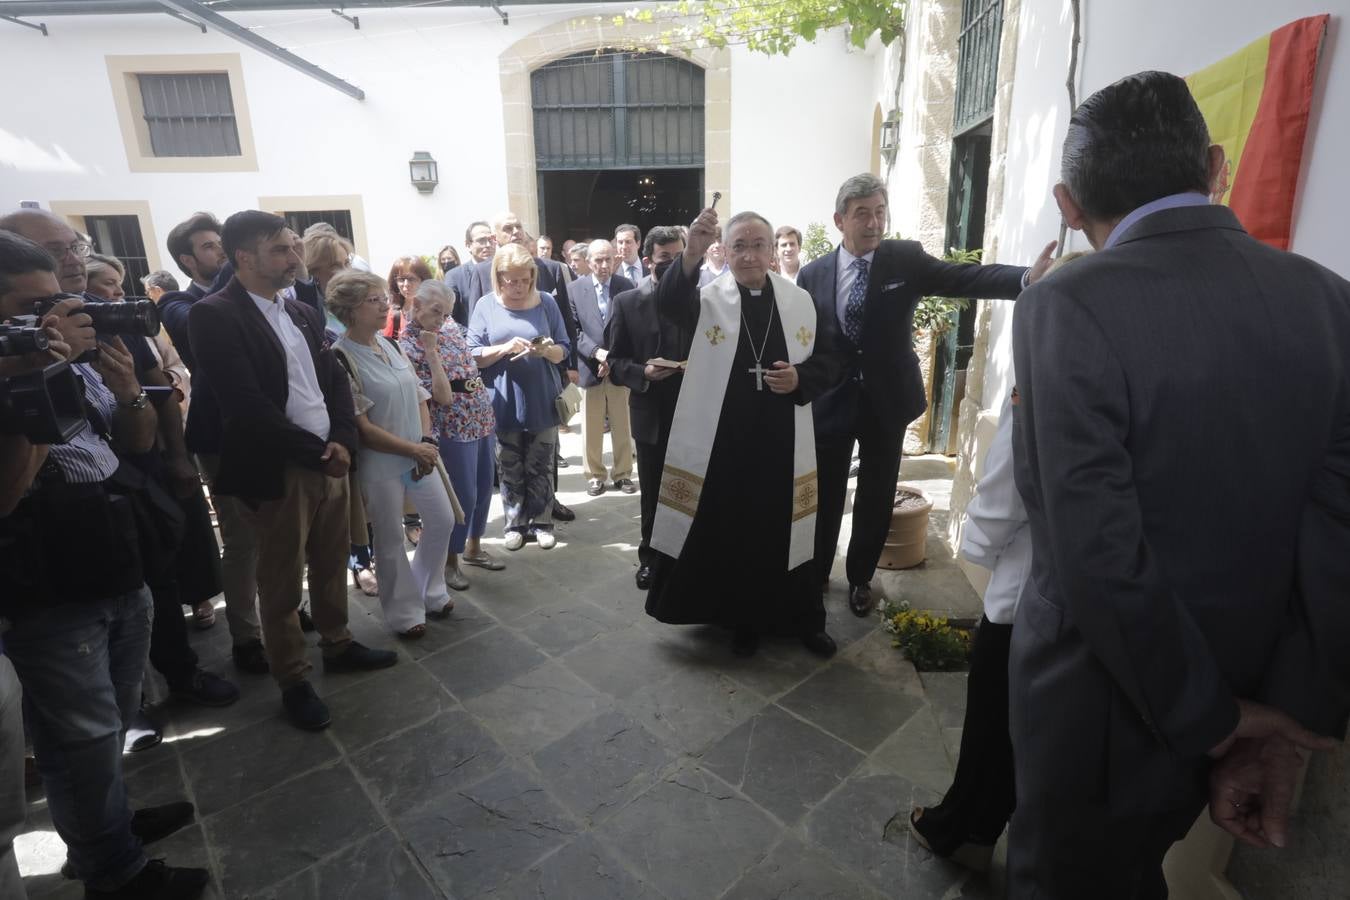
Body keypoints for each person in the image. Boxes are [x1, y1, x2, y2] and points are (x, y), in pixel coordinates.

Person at [1008, 71, 1349, 898]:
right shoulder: (1332, 303)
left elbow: (1094, 551)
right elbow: (1337, 530)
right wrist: (1281, 724)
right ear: (1217, 166)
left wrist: (1215, 718)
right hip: (1255, 684)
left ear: (1066, 200)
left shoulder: (1067, 303)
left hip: (1103, 708)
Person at [0, 230, 208, 899]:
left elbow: (131, 442)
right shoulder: (19, 369)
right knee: (81, 733)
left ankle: (103, 826)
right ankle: (113, 869)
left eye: (55, 301)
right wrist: (33, 375)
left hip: (113, 549)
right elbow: (8, 492)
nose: (54, 318)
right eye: (31, 308)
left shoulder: (72, 356)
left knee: (106, 724)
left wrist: (126, 393)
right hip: (48, 577)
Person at [798, 173, 1052, 619]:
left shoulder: (903, 259)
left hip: (887, 401)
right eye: (863, 214)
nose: (874, 222)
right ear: (840, 220)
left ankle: (860, 577)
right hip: (832, 402)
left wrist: (1025, 278)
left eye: (880, 211)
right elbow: (805, 339)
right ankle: (818, 572)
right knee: (827, 493)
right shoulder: (812, 273)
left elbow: (963, 278)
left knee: (876, 493)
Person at [188, 210, 398, 732]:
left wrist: (342, 440)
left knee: (330, 561)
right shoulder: (215, 315)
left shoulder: (302, 310)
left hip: (329, 457)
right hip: (278, 467)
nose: (294, 258)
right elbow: (245, 405)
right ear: (244, 257)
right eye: (281, 250)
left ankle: (339, 642)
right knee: (281, 581)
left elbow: (333, 382)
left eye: (293, 247)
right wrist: (318, 451)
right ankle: (293, 678)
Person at [646, 208, 848, 659]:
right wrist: (692, 252)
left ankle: (802, 617)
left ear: (772, 250)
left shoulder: (800, 302)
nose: (750, 255)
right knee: (737, 530)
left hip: (784, 440)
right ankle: (742, 619)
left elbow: (834, 358)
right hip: (726, 442)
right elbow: (668, 305)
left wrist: (802, 379)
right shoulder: (709, 299)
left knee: (788, 527)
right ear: (727, 251)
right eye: (739, 245)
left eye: (759, 245)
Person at [327, 270, 457, 638]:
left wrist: (427, 441)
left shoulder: (391, 345)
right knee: (388, 538)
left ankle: (429, 591)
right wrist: (414, 448)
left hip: (419, 454)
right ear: (350, 309)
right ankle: (403, 612)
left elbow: (419, 396)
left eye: (384, 298)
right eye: (375, 300)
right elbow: (363, 428)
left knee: (442, 520)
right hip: (381, 462)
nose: (386, 304)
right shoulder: (340, 357)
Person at [467, 243, 570, 550]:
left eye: (524, 280)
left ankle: (542, 521)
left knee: (541, 463)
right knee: (508, 463)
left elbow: (564, 348)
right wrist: (503, 347)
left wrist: (545, 350)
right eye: (511, 280)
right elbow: (472, 354)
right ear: (498, 277)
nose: (518, 286)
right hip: (502, 397)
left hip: (542, 395)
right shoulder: (486, 305)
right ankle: (515, 522)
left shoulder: (546, 303)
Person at [402, 280, 504, 588]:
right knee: (462, 494)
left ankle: (474, 547)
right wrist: (431, 352)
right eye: (436, 311)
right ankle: (450, 560)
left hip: (479, 413)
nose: (442, 319)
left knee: (485, 486)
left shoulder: (450, 327)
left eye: (446, 313)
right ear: (415, 305)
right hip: (450, 422)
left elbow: (470, 361)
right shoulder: (407, 344)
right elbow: (435, 394)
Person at [605, 225, 688, 589]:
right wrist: (643, 372)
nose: (671, 266)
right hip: (651, 412)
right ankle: (651, 559)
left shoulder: (703, 300)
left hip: (694, 411)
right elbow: (615, 363)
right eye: (663, 259)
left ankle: (688, 556)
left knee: (690, 488)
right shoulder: (628, 302)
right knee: (654, 492)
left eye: (678, 258)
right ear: (647, 260)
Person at [567, 239, 637, 496]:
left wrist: (613, 358)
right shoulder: (574, 289)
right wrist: (597, 353)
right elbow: (572, 329)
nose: (604, 265)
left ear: (615, 259)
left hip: (618, 368)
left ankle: (623, 473)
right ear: (588, 261)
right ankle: (595, 475)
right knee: (591, 425)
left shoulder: (626, 287)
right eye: (598, 260)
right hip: (590, 368)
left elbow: (632, 328)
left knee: (623, 424)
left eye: (608, 259)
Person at [166, 212, 227, 299]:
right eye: (209, 246)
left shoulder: (246, 289)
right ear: (188, 261)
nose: (222, 251)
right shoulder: (182, 302)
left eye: (221, 244)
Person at [447, 221, 495, 327]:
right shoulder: (455, 277)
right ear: (468, 245)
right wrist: (472, 336)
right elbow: (448, 317)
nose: (487, 245)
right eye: (481, 241)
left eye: (491, 240)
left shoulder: (504, 272)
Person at [385, 256, 431, 340]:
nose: (406, 284)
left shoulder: (436, 312)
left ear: (424, 281)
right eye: (401, 279)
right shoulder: (392, 314)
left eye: (411, 279)